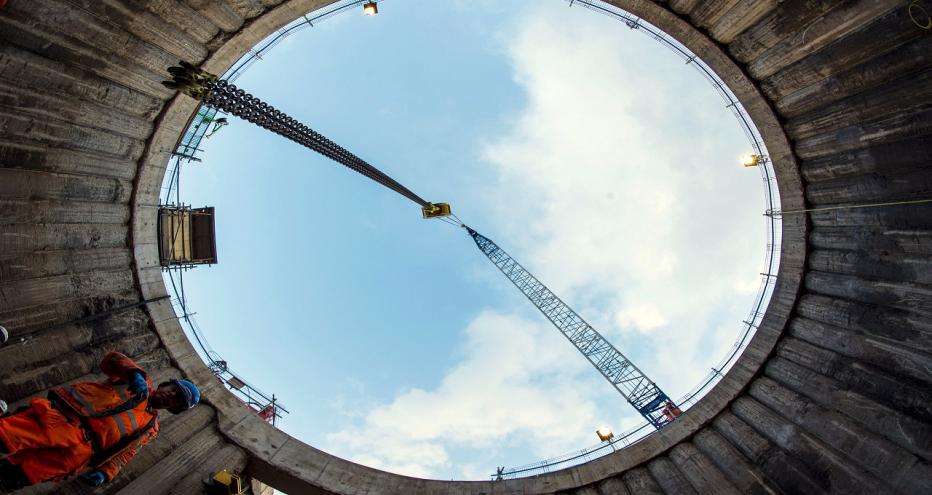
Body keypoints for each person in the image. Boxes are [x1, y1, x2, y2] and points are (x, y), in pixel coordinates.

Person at [0, 351, 200, 491]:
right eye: (172, 390)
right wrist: (134, 374)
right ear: (165, 384)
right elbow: (113, 360)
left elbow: (125, 454)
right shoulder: (139, 383)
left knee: (15, 476)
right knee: (3, 436)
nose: (170, 395)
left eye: (176, 399)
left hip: (77, 454)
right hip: (60, 421)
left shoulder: (151, 428)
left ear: (174, 409)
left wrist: (106, 473)